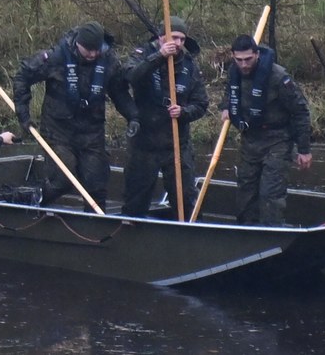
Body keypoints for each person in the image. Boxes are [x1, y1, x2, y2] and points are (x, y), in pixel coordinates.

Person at [13, 20, 138, 210]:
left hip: (92, 132)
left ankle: (95, 228)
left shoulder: (109, 61)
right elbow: (23, 77)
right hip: (58, 130)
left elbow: (119, 92)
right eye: (88, 50)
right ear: (78, 43)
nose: (93, 54)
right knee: (62, 179)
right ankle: (33, 201)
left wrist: (133, 116)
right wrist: (23, 114)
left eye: (97, 50)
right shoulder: (56, 57)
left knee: (97, 184)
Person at [121, 17, 209, 218]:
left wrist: (184, 112)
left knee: (186, 198)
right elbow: (131, 76)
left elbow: (202, 104)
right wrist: (159, 57)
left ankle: (188, 235)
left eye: (182, 39)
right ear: (161, 38)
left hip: (177, 143)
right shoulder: (142, 55)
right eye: (173, 38)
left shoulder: (189, 66)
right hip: (145, 142)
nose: (177, 43)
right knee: (136, 198)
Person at [220, 35, 312, 226]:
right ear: (233, 57)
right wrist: (226, 106)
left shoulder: (278, 77)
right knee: (245, 190)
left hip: (277, 140)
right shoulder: (234, 72)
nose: (244, 65)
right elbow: (230, 91)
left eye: (248, 59)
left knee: (270, 194)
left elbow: (300, 111)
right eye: (239, 60)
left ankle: (272, 233)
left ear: (257, 55)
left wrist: (304, 149)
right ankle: (246, 234)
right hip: (250, 140)